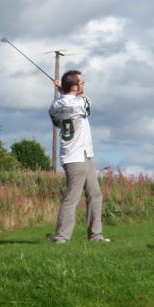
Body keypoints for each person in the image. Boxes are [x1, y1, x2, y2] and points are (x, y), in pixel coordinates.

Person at [48, 70, 109, 243]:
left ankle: (96, 235)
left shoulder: (55, 105)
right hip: (75, 157)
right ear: (74, 87)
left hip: (85, 154)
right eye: (81, 83)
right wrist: (69, 92)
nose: (84, 85)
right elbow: (87, 106)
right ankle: (62, 237)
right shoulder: (79, 103)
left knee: (95, 194)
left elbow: (57, 121)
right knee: (72, 197)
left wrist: (63, 92)